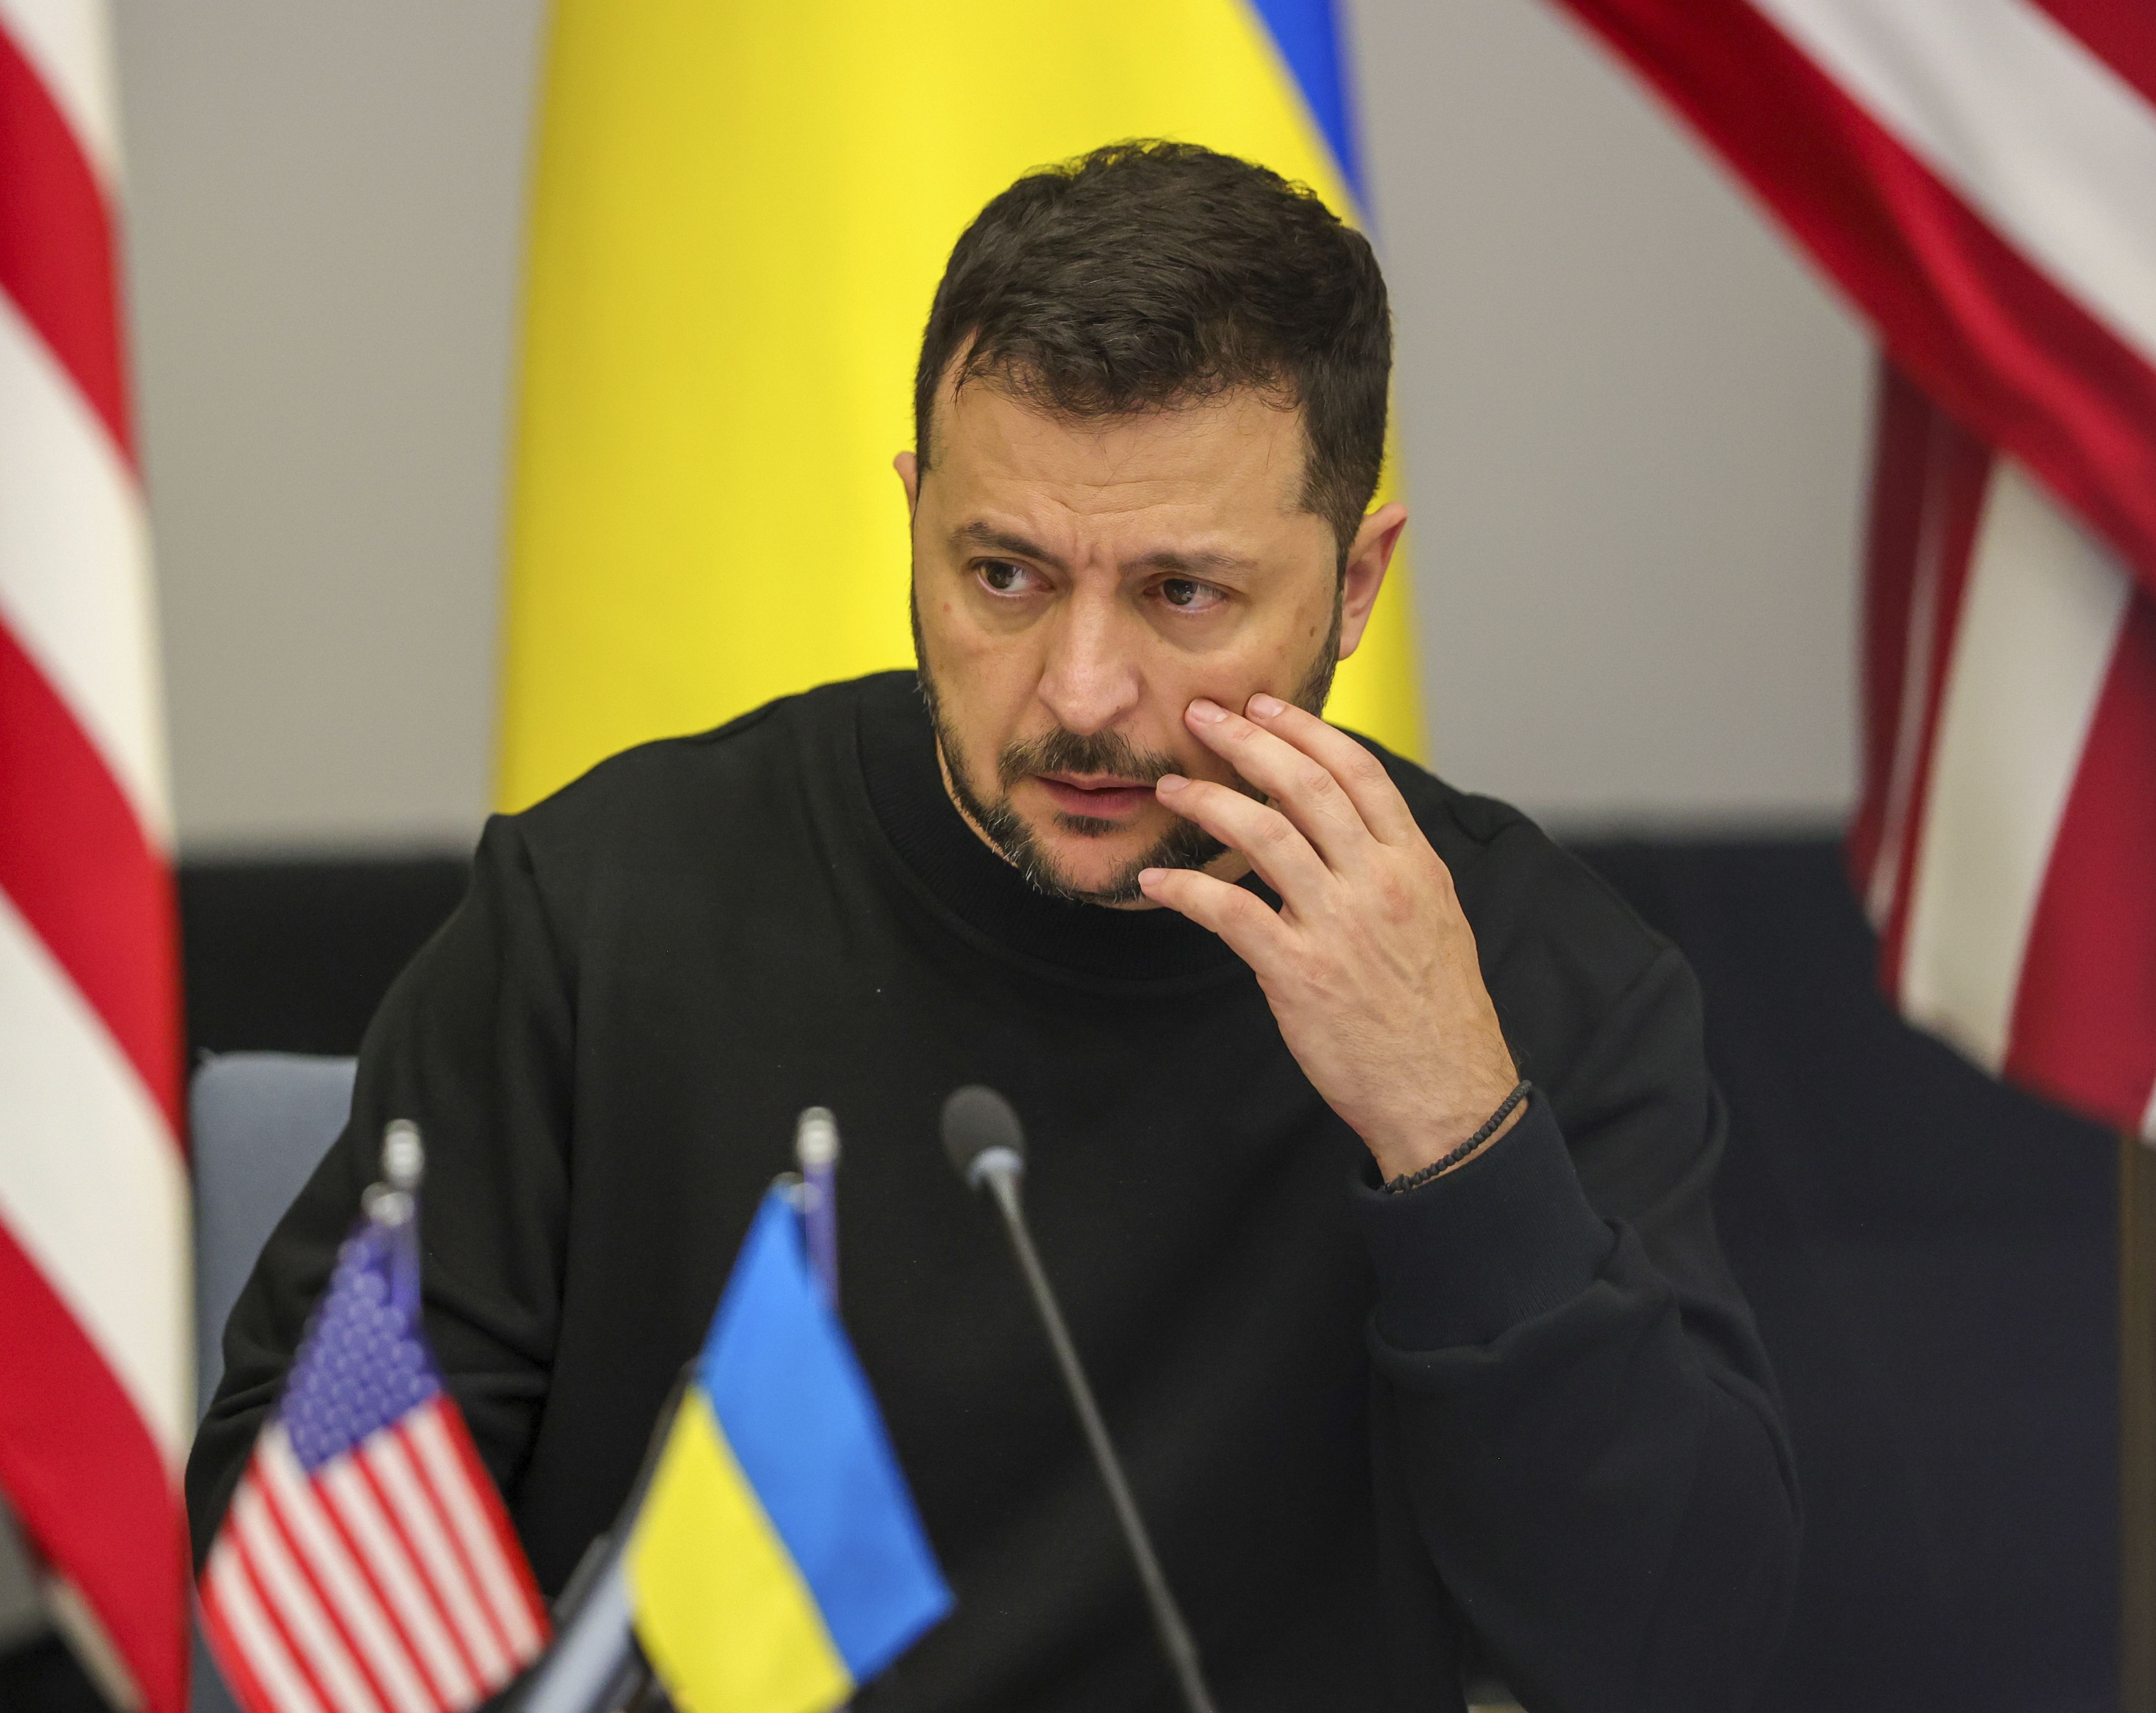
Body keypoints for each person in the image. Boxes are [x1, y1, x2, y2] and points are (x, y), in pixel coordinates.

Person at [190, 141, 1799, 1712]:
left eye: (1183, 595)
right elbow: (304, 1535)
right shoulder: (606, 910)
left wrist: (1455, 1133)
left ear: (1356, 582)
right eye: (1006, 576)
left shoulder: (1524, 974)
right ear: (913, 520)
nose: (1081, 693)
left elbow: (1677, 1656)